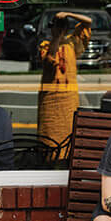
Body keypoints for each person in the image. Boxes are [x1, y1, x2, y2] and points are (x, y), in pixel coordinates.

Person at [36, 9, 92, 158]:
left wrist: (68, 14)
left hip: (68, 99)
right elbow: (49, 62)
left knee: (68, 135)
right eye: (56, 26)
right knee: (49, 137)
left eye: (62, 27)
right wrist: (56, 38)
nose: (59, 29)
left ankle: (66, 162)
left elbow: (88, 21)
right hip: (50, 99)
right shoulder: (45, 45)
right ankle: (48, 163)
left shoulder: (72, 43)